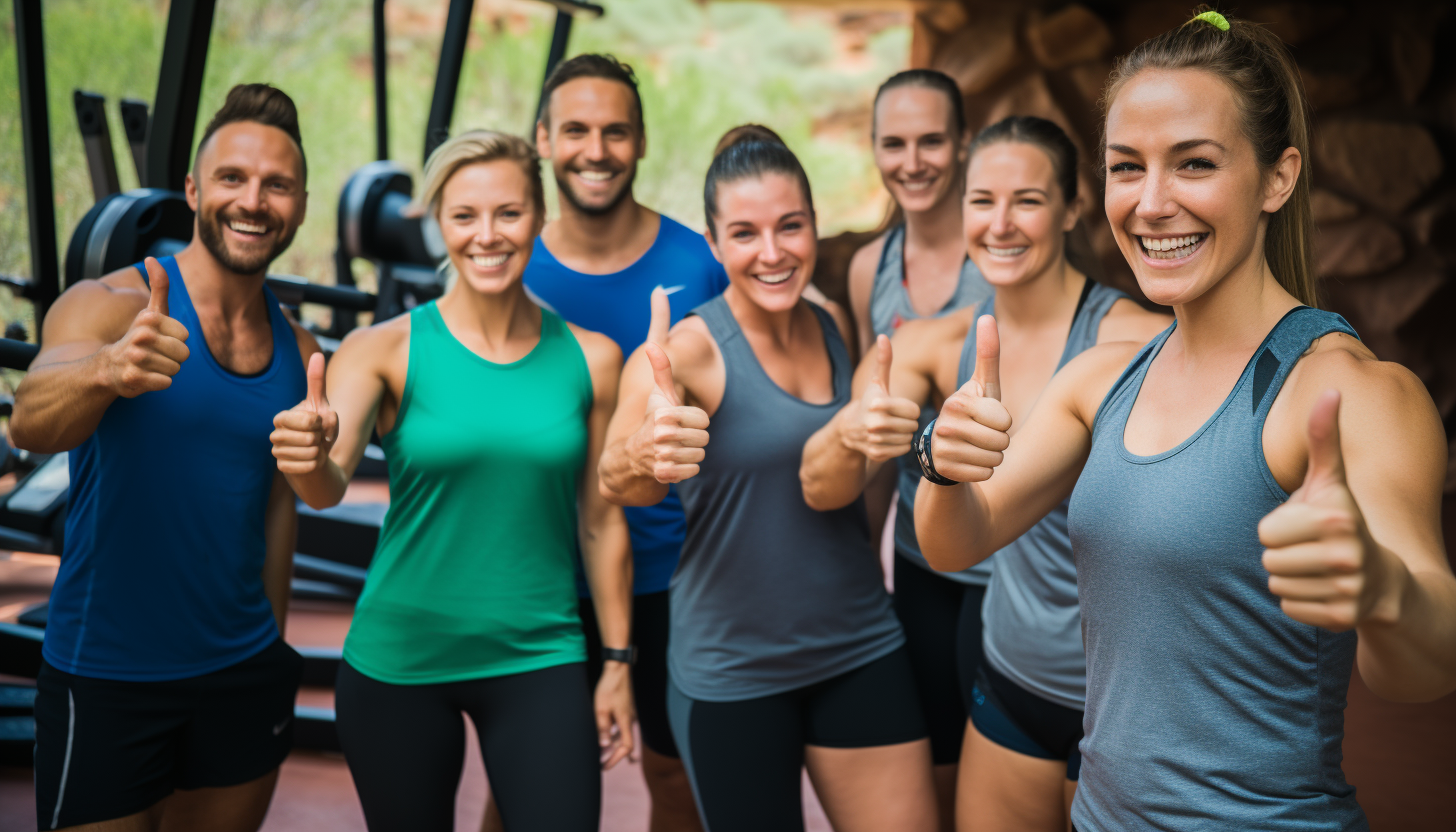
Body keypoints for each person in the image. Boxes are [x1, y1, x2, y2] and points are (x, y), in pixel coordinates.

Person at [914, 11, 1456, 831]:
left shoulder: (1350, 392)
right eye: (1126, 167)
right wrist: (943, 462)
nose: (1152, 202)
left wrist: (1381, 591)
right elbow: (956, 539)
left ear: (1278, 178)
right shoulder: (1102, 380)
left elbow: (1428, 666)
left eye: (1194, 163)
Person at [801, 115, 1169, 831]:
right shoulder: (939, 344)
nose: (1000, 224)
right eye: (981, 200)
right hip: (1010, 682)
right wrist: (854, 432)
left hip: (1124, 698)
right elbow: (823, 484)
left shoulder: (1141, 342)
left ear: (1070, 208)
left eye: (1027, 200)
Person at [269, 130, 633, 832]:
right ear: (439, 224)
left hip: (539, 653)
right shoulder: (382, 350)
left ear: (539, 219)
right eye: (465, 216)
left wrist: (617, 659)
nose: (487, 235)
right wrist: (306, 457)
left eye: (508, 213)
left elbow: (601, 518)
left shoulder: (594, 358)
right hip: (400, 660)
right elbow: (326, 486)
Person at [600, 134, 938, 832]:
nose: (773, 252)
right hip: (733, 668)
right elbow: (615, 478)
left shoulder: (831, 321)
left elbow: (851, 481)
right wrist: (644, 452)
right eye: (745, 234)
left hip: (859, 643)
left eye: (791, 226)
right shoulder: (681, 355)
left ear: (814, 224)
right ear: (714, 245)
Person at [13, 84, 315, 832]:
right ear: (192, 191)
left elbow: (277, 508)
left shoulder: (300, 352)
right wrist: (104, 372)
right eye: (232, 178)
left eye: (276, 184)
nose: (254, 200)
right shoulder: (108, 305)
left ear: (300, 204)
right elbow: (30, 423)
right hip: (110, 674)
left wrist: (268, 652)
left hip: (242, 673)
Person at [520, 53, 728, 832]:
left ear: (640, 142)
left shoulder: (700, 265)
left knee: (676, 782)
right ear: (543, 139)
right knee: (527, 792)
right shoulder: (511, 264)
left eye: (616, 131)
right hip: (540, 580)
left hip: (674, 576)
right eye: (575, 129)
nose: (595, 149)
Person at [844, 71, 992, 817]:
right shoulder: (870, 269)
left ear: (963, 143)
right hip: (919, 556)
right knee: (934, 762)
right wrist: (862, 574)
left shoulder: (1004, 245)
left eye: (931, 139)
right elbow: (872, 447)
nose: (913, 161)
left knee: (1003, 770)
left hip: (1011, 557)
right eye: (893, 143)